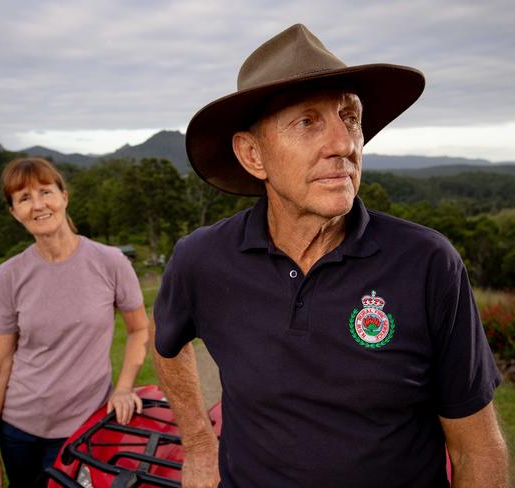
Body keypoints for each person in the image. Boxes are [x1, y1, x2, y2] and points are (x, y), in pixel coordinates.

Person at [152, 24, 508, 487]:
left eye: (350, 118)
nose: (344, 144)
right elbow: (167, 344)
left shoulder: (426, 263)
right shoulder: (202, 259)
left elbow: (476, 447)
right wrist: (199, 443)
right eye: (307, 121)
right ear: (253, 154)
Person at [0, 157, 149, 488]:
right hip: (18, 431)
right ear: (14, 212)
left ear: (64, 196)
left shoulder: (110, 261)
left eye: (45, 192)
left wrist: (125, 386)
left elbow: (139, 328)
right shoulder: (9, 275)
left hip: (86, 426)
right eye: (24, 198)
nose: (38, 205)